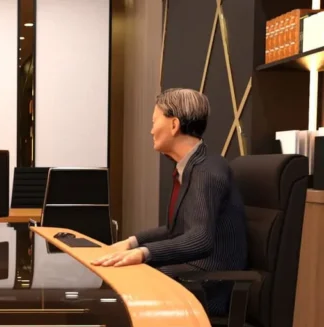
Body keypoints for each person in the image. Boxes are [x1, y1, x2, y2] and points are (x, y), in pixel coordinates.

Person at [91, 88, 247, 312]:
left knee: (124, 288)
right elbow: (176, 231)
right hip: (193, 273)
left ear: (174, 125)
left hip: (209, 286)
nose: (151, 130)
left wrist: (143, 253)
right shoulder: (194, 166)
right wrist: (131, 243)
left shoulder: (206, 171)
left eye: (155, 121)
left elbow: (200, 239)